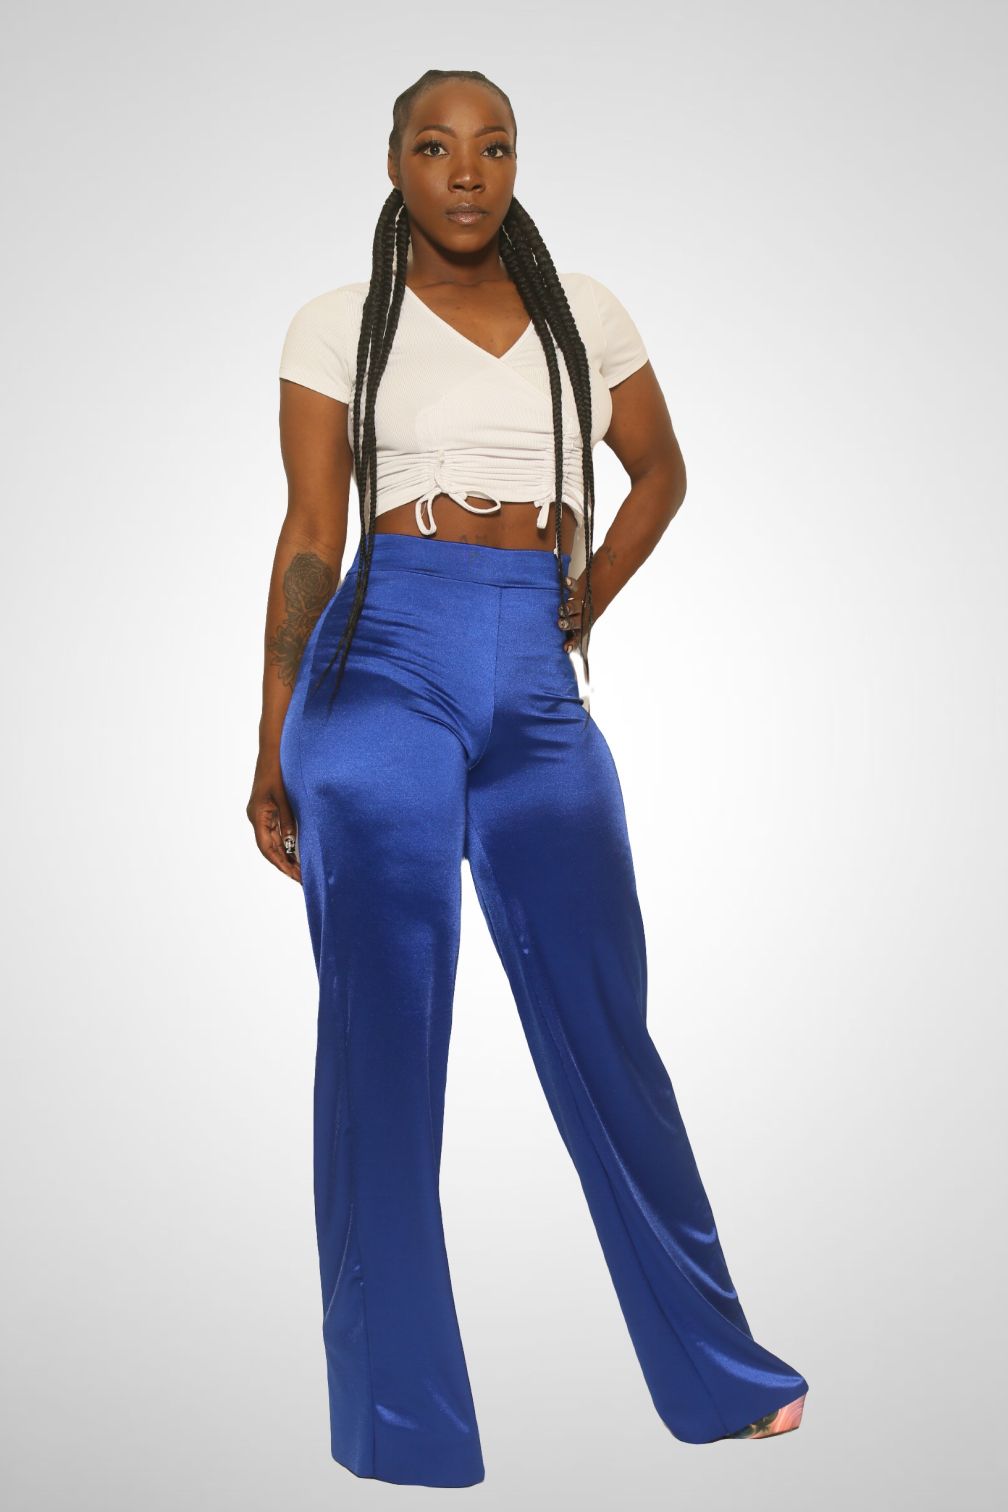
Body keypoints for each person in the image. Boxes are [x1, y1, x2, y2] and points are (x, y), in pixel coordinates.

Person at [247, 68, 809, 1489]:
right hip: (382, 660)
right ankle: (402, 1425)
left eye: (493, 146)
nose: (467, 170)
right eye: (436, 145)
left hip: (534, 672)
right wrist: (271, 744)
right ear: (394, 164)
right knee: (386, 1041)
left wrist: (581, 602)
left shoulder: (584, 314)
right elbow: (312, 535)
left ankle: (719, 1372)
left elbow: (660, 471)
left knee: (608, 1026)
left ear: (515, 164)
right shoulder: (335, 323)